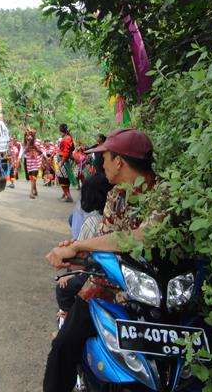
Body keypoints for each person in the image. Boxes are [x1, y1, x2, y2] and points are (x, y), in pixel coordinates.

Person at [43, 128, 156, 392]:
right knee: (63, 345)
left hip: (153, 293)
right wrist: (75, 253)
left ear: (119, 161)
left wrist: (79, 245)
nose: (100, 164)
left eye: (104, 158)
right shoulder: (116, 195)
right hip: (106, 287)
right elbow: (104, 240)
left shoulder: (164, 194)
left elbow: (141, 236)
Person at [55, 174, 113, 317]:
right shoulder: (111, 219)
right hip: (103, 269)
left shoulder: (92, 221)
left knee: (62, 287)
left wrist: (71, 275)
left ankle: (67, 315)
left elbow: (80, 255)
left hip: (92, 270)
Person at [56, 124, 77, 202]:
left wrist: (62, 162)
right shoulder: (67, 138)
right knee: (64, 177)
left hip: (64, 160)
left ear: (60, 130)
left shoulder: (66, 139)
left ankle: (69, 196)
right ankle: (65, 195)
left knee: (62, 178)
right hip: (64, 159)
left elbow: (66, 152)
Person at [23, 128, 43, 199]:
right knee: (32, 177)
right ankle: (36, 191)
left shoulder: (38, 141)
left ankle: (31, 193)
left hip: (36, 162)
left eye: (31, 134)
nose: (29, 136)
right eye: (27, 135)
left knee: (33, 177)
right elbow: (24, 152)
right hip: (29, 162)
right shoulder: (25, 142)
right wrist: (28, 144)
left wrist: (35, 146)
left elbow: (41, 151)